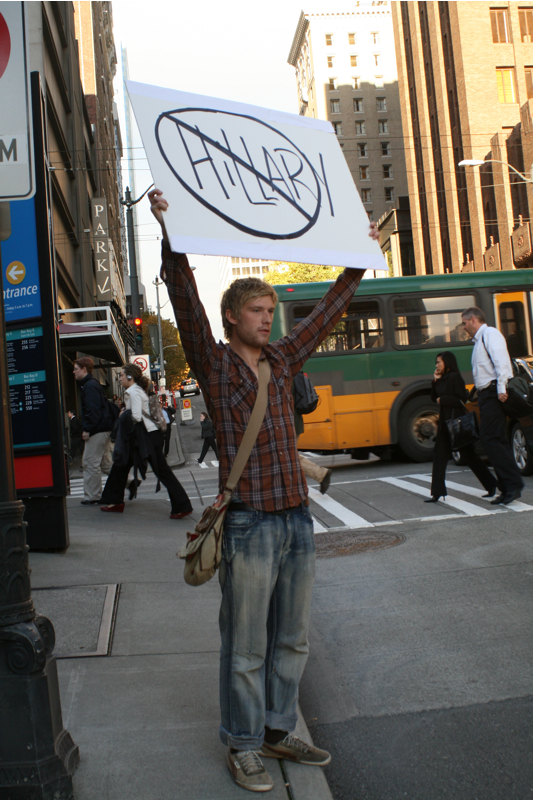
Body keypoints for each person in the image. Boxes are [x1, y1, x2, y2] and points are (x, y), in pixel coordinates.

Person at [149, 187, 379, 793]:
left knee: (292, 638)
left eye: (270, 309)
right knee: (245, 646)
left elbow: (327, 314)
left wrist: (358, 261)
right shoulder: (215, 364)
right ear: (233, 318)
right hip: (248, 524)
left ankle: (279, 729)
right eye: (256, 309)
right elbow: (185, 301)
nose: (267, 317)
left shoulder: (282, 358)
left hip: (296, 520)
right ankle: (244, 744)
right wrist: (170, 235)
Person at [100, 364, 192, 518]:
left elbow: (135, 416)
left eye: (121, 375)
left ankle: (182, 506)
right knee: (120, 466)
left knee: (160, 471)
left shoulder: (133, 392)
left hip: (144, 437)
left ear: (130, 377)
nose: (120, 378)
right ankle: (115, 501)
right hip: (142, 437)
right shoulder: (136, 391)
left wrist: (123, 415)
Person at [461, 307, 524, 505]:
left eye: (464, 323)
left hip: (494, 393)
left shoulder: (490, 334)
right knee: (496, 439)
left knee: (490, 439)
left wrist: (501, 389)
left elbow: (501, 362)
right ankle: (507, 487)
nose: (463, 327)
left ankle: (513, 485)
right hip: (487, 394)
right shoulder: (480, 340)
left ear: (472, 320)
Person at [425, 351, 498, 503]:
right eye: (436, 362)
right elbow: (434, 398)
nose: (436, 365)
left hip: (456, 422)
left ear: (447, 363)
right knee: (439, 456)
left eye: (439, 362)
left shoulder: (454, 377)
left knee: (469, 456)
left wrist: (443, 399)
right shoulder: (441, 379)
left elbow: (461, 399)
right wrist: (435, 381)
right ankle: (437, 493)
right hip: (445, 423)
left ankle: (491, 485)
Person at [73, 357, 114, 505]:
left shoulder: (89, 386)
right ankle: (129, 480)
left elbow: (92, 411)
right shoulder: (92, 384)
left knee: (90, 462)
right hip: (103, 428)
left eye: (76, 369)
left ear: (84, 369)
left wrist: (87, 429)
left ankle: (93, 496)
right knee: (104, 463)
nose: (74, 372)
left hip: (97, 430)